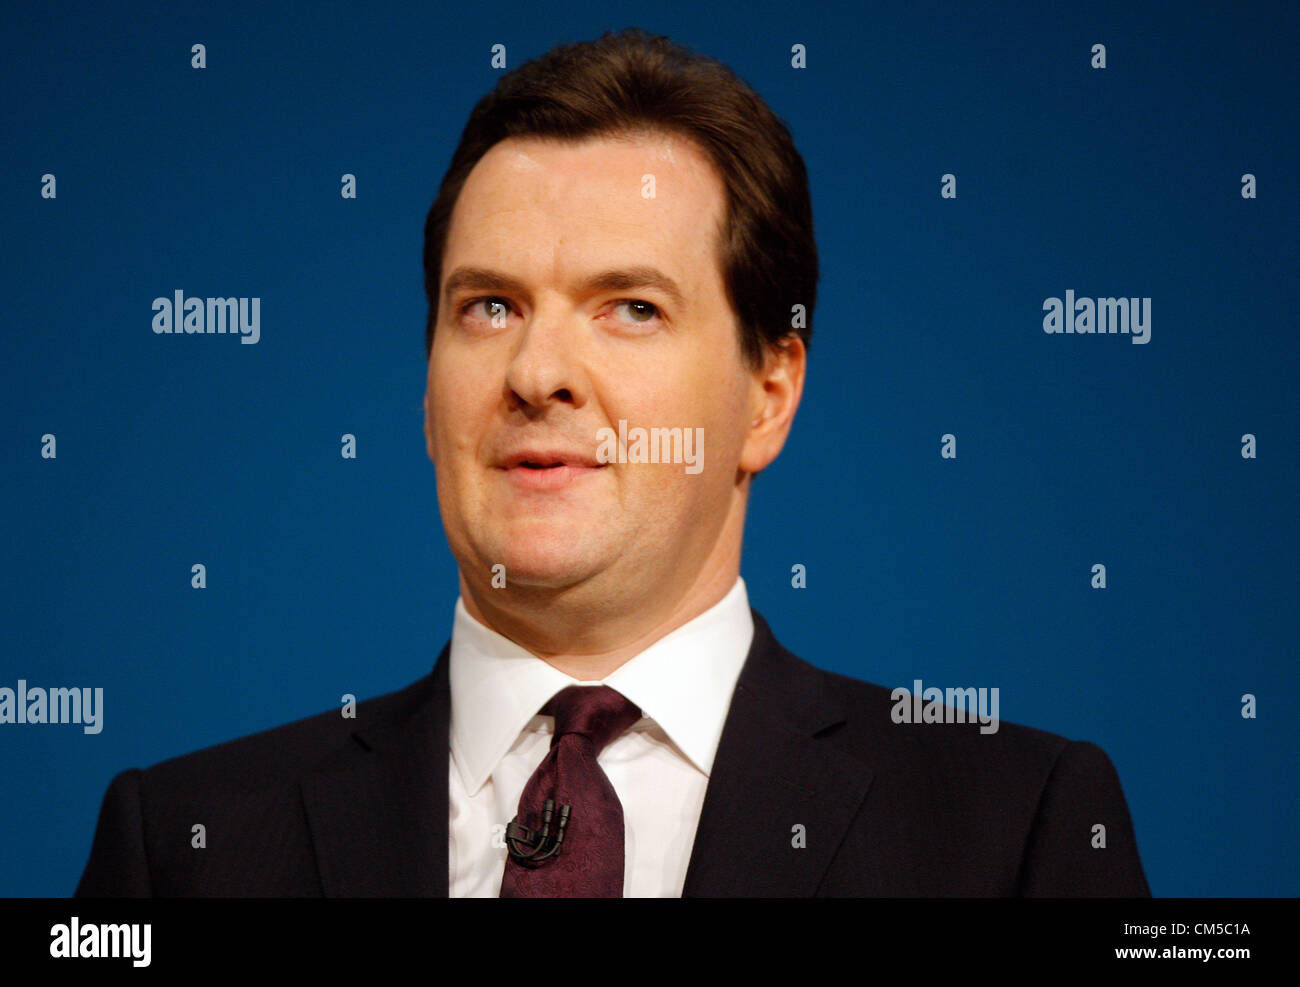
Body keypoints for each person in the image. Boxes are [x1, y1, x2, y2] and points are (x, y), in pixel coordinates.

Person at [76, 27, 1149, 897]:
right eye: (488, 306)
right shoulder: (180, 846)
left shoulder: (1016, 829)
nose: (539, 372)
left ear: (768, 395)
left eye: (630, 308)